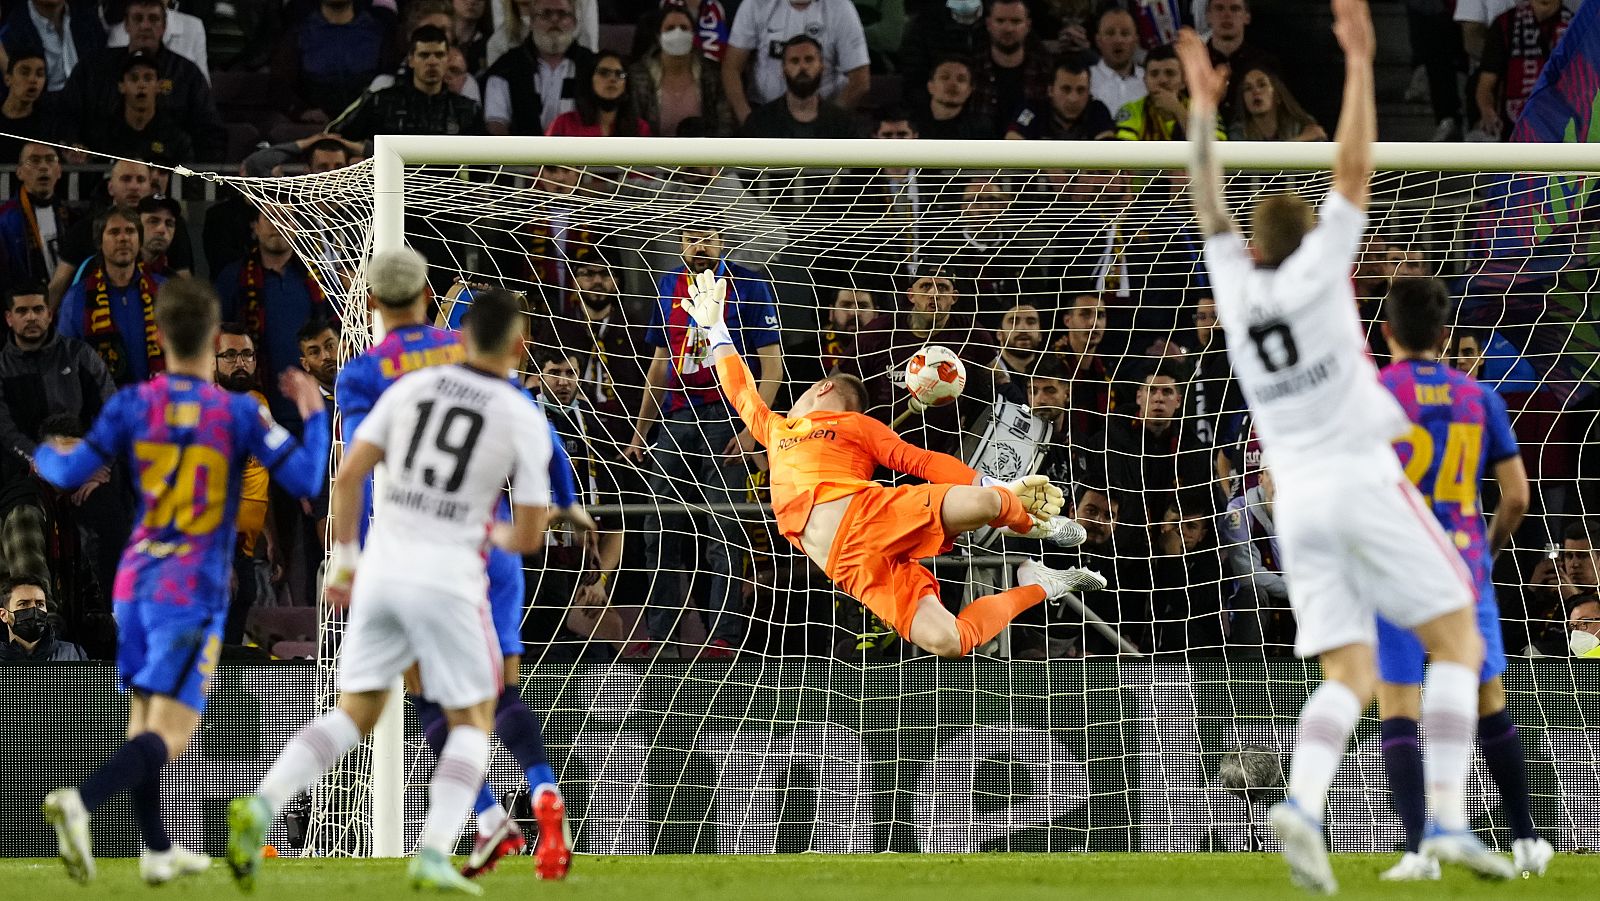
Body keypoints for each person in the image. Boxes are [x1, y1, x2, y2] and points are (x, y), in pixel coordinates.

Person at [1179, 3, 1516, 890]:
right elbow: (1357, 167)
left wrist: (1202, 110)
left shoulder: (1235, 286)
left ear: (1253, 247)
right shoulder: (1325, 269)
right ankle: (1445, 821)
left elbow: (1205, 195)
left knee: (1353, 669)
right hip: (1361, 478)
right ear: (1310, 241)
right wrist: (1361, 64)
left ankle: (1301, 799)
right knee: (1458, 641)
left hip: (1290, 496)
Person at [226, 288, 553, 894]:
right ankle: (433, 852)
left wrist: (344, 563)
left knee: (355, 712)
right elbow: (529, 534)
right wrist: (490, 524)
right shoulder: (516, 412)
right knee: (474, 719)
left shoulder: (407, 390)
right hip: (448, 580)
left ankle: (266, 803)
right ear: (519, 344)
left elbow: (347, 475)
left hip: (380, 572)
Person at [37, 277, 329, 886]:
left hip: (135, 581)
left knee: (144, 718)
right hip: (190, 588)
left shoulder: (131, 404)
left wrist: (41, 449)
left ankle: (157, 849)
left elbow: (66, 470)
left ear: (162, 335)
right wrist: (313, 411)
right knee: (170, 733)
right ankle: (81, 804)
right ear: (213, 333)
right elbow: (304, 480)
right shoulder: (238, 412)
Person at [680, 268, 1099, 658]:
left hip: (868, 515)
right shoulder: (773, 427)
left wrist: (989, 481)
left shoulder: (855, 424)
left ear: (824, 388)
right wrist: (714, 328)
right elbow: (740, 389)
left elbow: (920, 461)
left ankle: (1035, 524)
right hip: (850, 565)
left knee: (987, 504)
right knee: (948, 641)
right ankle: (1039, 584)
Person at [333, 252, 578, 882]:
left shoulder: (367, 375)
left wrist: (352, 557)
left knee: (430, 701)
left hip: (418, 546)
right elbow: (543, 439)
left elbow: (355, 476)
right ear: (431, 294)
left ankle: (493, 818)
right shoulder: (470, 348)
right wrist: (569, 504)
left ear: (367, 305)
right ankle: (543, 792)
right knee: (501, 693)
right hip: (493, 539)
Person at [1372, 277, 1552, 881]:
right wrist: (1488, 552)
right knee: (1486, 699)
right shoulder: (1481, 398)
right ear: (1446, 336)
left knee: (1399, 704)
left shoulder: (1374, 395)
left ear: (1386, 333)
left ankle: (1418, 850)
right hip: (1464, 566)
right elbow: (1518, 498)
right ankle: (1526, 839)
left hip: (1395, 564)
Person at [624, 226, 781, 658]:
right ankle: (661, 636)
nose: (700, 246)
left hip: (729, 419)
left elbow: (772, 367)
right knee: (659, 527)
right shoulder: (668, 284)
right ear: (678, 244)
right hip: (675, 418)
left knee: (724, 531)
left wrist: (753, 430)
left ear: (722, 241)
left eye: (707, 236)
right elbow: (659, 363)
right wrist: (641, 430)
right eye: (690, 237)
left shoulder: (749, 284)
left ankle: (724, 637)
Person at [329, 25, 486, 151]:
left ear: (447, 60)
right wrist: (370, 151)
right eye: (424, 55)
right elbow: (334, 137)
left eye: (439, 55)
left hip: (448, 190)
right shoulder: (380, 102)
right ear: (411, 60)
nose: (432, 62)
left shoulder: (467, 110)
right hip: (391, 188)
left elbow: (484, 164)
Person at [56, 208, 166, 385]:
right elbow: (64, 361)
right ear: (99, 242)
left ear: (139, 240)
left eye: (130, 231)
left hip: (160, 405)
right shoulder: (77, 297)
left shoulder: (165, 291)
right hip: (102, 407)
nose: (123, 238)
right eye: (114, 232)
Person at [721, 0, 869, 124]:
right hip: (763, 113)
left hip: (824, 115)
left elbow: (860, 81)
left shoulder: (841, 7)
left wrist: (828, 122)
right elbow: (731, 69)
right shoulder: (755, 4)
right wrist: (748, 121)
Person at [483, 0, 597, 135]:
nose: (555, 20)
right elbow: (496, 123)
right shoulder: (506, 67)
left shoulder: (593, 66)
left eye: (563, 14)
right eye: (545, 14)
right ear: (531, 22)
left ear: (574, 23)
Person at [629, 5, 733, 136]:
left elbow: (725, 124)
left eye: (684, 28)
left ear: (693, 35)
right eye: (670, 28)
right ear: (658, 36)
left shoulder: (711, 75)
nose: (677, 33)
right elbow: (632, 125)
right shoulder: (638, 76)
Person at [78, 50, 193, 168]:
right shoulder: (102, 136)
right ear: (121, 86)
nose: (141, 85)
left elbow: (187, 182)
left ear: (159, 86)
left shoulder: (175, 139)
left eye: (148, 78)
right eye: (134, 78)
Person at [1475, 0, 1571, 141]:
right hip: (1515, 131)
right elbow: (1485, 85)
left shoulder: (1576, 27)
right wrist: (1487, 111)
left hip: (1562, 131)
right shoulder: (1505, 23)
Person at [740, 35, 857, 139]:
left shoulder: (843, 124)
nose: (803, 66)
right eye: (794, 61)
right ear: (783, 69)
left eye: (809, 60)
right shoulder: (759, 122)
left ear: (822, 66)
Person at [0, 143, 76, 288]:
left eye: (50, 160)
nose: (43, 167)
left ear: (59, 171)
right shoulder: (4, 221)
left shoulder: (72, 218)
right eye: (34, 160)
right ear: (19, 172)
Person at [1005, 59, 1114, 140]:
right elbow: (1012, 139)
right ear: (1051, 90)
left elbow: (1107, 146)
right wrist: (1045, 164)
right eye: (1066, 89)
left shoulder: (1097, 110)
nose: (1073, 99)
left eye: (1081, 90)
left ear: (1089, 91)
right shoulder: (1032, 108)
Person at [547, 49, 649, 135]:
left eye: (619, 74)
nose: (613, 79)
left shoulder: (640, 129)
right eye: (604, 73)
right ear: (589, 80)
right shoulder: (563, 124)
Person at [0, 574, 86, 661]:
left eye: (39, 604)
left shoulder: (73, 655)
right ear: (3, 615)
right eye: (23, 604)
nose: (34, 610)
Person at [1227, 66, 1325, 142]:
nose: (1255, 91)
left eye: (1262, 85)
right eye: (1248, 88)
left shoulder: (1300, 125)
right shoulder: (1238, 132)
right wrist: (1299, 141)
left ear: (1277, 95)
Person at [0, 51, 61, 162]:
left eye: (39, 74)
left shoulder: (51, 123)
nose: (33, 80)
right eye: (24, 72)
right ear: (8, 79)